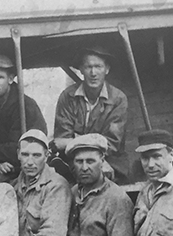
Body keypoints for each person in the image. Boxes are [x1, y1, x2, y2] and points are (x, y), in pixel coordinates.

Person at [53, 46, 130, 181]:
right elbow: (62, 137)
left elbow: (112, 142)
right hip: (74, 159)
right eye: (88, 67)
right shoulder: (68, 96)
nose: (93, 73)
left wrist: (75, 141)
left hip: (109, 161)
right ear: (81, 69)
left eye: (98, 66)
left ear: (107, 69)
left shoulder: (118, 99)